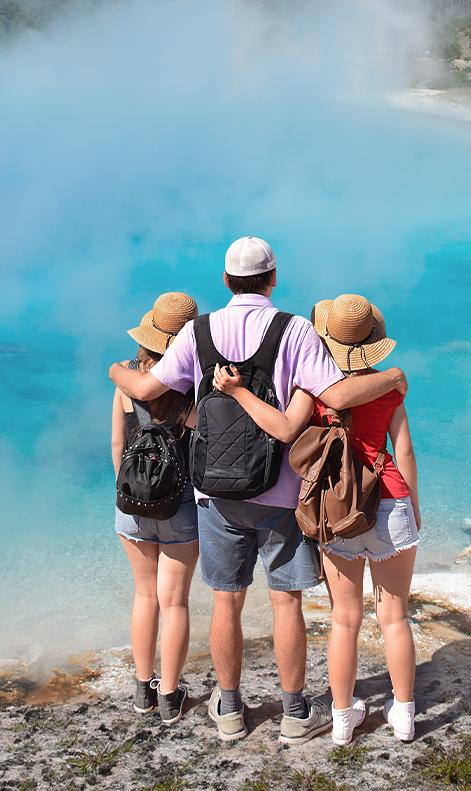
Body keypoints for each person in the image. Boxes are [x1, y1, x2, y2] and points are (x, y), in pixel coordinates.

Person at [108, 237, 407, 746]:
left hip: (214, 494)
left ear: (225, 281)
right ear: (273, 278)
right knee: (285, 602)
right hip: (282, 493)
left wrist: (116, 370)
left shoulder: (198, 332)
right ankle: (294, 713)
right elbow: (334, 395)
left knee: (226, 602)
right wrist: (394, 378)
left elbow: (144, 391)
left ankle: (228, 708)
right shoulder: (295, 330)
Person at [213, 294, 420, 745]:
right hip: (390, 501)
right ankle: (403, 714)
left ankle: (343, 720)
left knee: (344, 619)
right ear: (373, 342)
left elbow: (286, 431)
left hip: (336, 508)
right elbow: (402, 451)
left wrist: (236, 393)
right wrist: (414, 507)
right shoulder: (389, 386)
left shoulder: (312, 390)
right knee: (395, 616)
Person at [110, 291, 200, 724]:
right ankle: (169, 696)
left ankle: (141, 691)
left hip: (132, 502)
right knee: (175, 602)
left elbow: (116, 444)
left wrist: (130, 492)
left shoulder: (127, 377)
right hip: (181, 503)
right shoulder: (193, 383)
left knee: (144, 596)